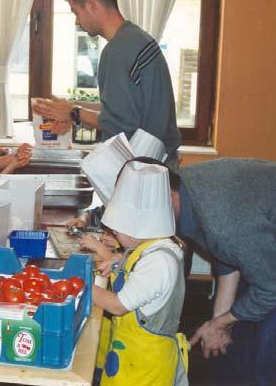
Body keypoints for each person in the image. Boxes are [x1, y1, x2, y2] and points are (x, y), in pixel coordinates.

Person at [164, 157, 276, 385]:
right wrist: (219, 322)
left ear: (171, 198)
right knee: (239, 338)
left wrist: (220, 322)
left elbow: (275, 287)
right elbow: (227, 256)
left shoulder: (222, 222)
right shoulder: (183, 190)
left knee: (273, 342)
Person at [31, 0, 181, 169]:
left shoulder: (117, 51)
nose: (77, 21)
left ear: (92, 5)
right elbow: (128, 111)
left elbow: (120, 125)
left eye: (76, 12)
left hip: (145, 170)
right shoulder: (137, 38)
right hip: (162, 162)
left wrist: (75, 113)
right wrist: (72, 111)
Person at [93, 160, 188, 385]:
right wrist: (118, 260)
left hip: (146, 368)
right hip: (130, 358)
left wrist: (80, 285)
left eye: (117, 231)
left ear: (139, 228)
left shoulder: (159, 261)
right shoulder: (147, 248)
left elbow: (117, 305)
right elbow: (135, 267)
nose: (114, 234)